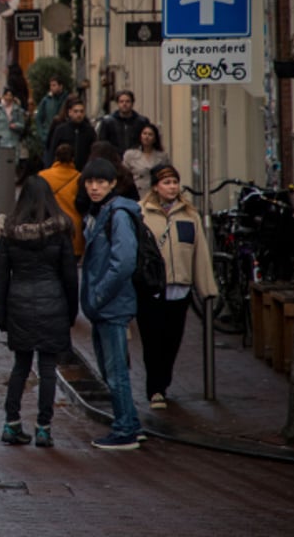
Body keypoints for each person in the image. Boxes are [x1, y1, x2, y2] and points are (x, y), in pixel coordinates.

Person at [0, 176, 77, 448]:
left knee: (21, 366)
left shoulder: (9, 233)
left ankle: (12, 423)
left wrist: (1, 313)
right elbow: (69, 276)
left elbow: (1, 277)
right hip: (53, 303)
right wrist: (71, 311)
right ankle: (43, 428)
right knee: (48, 368)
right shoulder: (61, 232)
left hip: (19, 303)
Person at [138, 163, 218, 410]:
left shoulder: (190, 215)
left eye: (174, 182)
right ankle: (155, 389)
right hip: (151, 289)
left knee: (172, 340)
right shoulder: (141, 214)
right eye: (166, 182)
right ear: (155, 187)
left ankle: (164, 381)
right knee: (153, 340)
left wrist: (207, 289)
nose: (172, 187)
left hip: (179, 288)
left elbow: (200, 253)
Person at [80, 157, 143, 450]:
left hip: (111, 305)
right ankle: (130, 422)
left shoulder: (116, 215)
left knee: (115, 370)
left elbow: (124, 261)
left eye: (101, 182)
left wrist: (100, 294)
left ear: (112, 184)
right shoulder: (98, 212)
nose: (94, 187)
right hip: (103, 305)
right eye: (90, 182)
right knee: (110, 370)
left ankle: (125, 430)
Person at [38, 143, 85, 258]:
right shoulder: (79, 178)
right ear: (73, 158)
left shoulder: (42, 176)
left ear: (55, 157)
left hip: (49, 228)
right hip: (73, 231)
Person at [47, 95, 96, 171]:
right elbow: (52, 150)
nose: (79, 114)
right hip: (63, 170)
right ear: (70, 112)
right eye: (76, 111)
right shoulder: (61, 130)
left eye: (81, 111)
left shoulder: (89, 131)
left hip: (83, 170)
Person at [97, 90, 152, 156]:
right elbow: (102, 143)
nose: (124, 104)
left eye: (127, 101)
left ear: (132, 103)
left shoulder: (142, 122)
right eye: (121, 101)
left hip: (137, 159)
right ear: (117, 103)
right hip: (115, 159)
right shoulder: (108, 122)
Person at [122, 123, 170, 196]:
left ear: (155, 138)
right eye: (144, 134)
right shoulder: (130, 155)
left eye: (150, 134)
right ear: (140, 136)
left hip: (156, 193)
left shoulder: (162, 156)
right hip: (136, 194)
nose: (146, 137)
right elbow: (124, 175)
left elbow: (167, 174)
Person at [35, 76, 68, 164]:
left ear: (61, 86)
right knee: (48, 162)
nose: (52, 88)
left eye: (54, 85)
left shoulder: (67, 99)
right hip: (49, 136)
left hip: (63, 137)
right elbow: (38, 118)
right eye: (51, 85)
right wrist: (42, 134)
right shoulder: (46, 100)